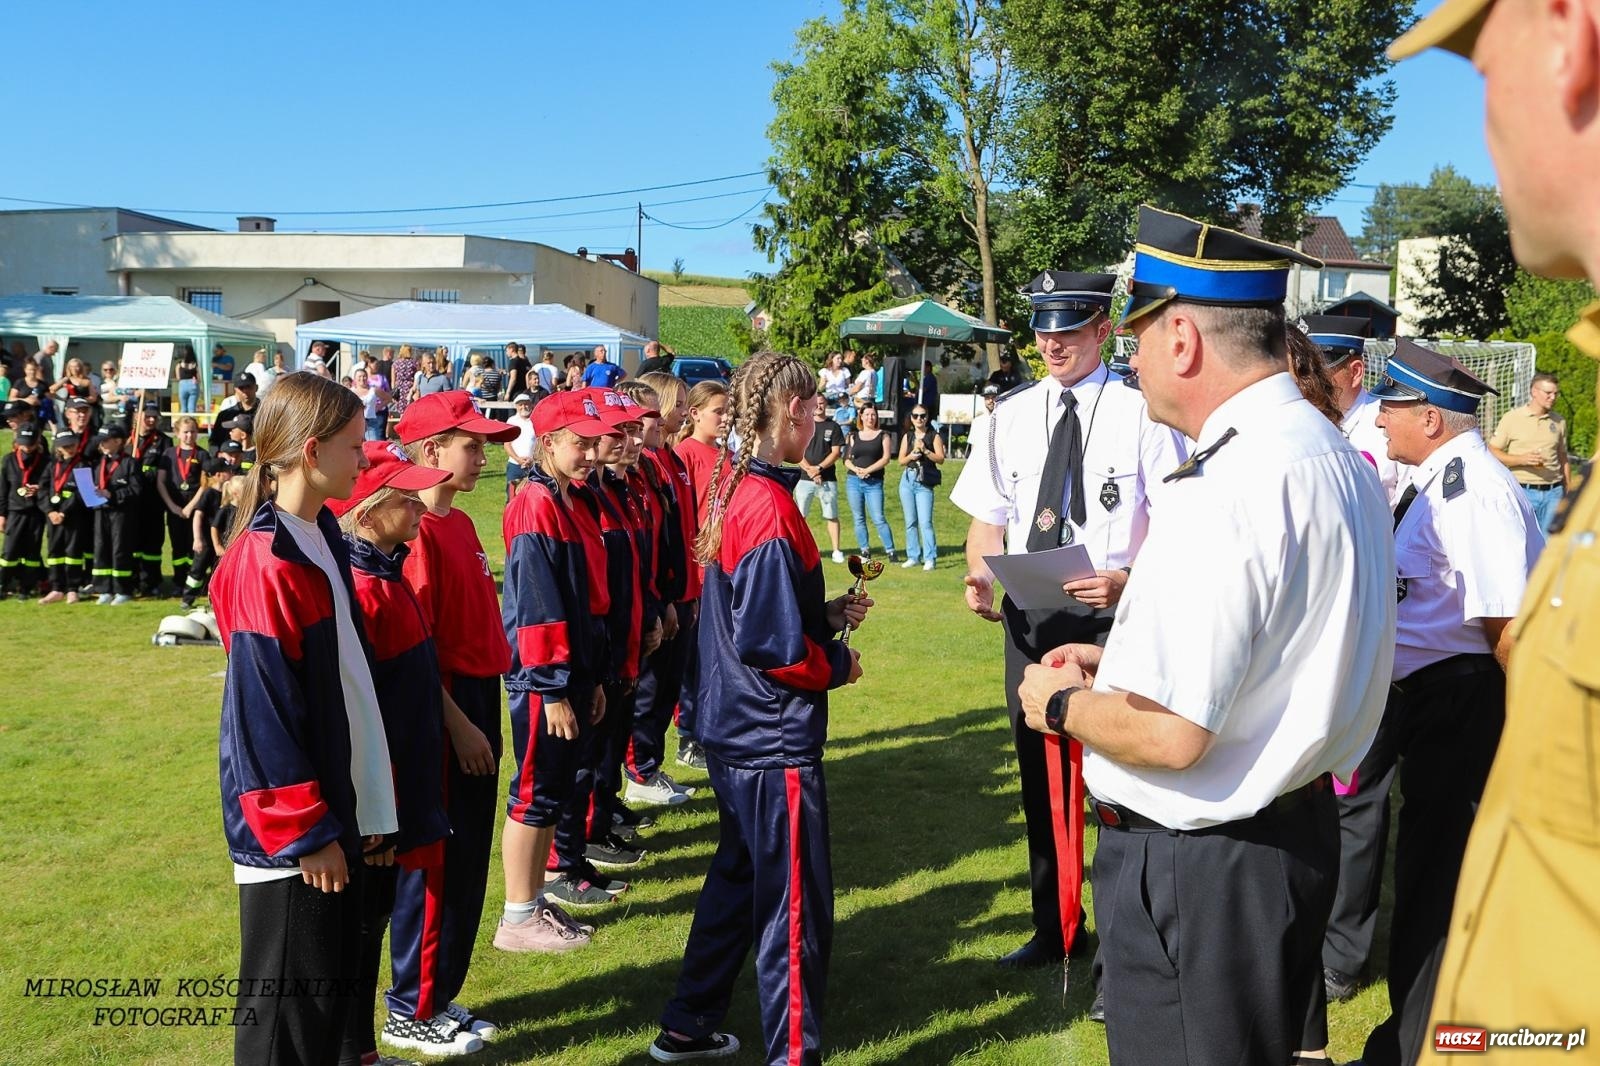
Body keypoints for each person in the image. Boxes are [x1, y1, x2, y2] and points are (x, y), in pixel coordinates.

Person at [1014, 206, 1394, 1065]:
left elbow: (1174, 734)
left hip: (1201, 870)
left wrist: (1062, 702)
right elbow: (1279, 651)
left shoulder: (1227, 484)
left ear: (1181, 337)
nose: (1130, 358)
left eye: (1137, 335)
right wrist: (1119, 661)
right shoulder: (1332, 457)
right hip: (1288, 842)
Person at [1387, 7, 1600, 1054]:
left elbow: (1498, 624)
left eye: (1479, 71)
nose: (1482, 131)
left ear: (1567, 40)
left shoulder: (1473, 474)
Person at [950, 268, 1185, 985]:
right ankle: (1055, 929)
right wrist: (980, 573)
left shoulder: (1143, 412)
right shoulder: (1006, 416)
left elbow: (1177, 526)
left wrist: (1127, 581)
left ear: (1102, 330)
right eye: (1043, 329)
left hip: (1116, 614)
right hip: (1031, 618)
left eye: (1068, 329)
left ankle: (1130, 946)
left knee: (1123, 782)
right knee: (1042, 783)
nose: (1052, 343)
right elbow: (988, 521)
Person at [648, 352, 872, 1066]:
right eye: (809, 406)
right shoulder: (767, 503)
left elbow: (754, 610)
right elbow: (774, 646)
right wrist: (836, 662)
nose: (817, 418)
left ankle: (687, 1025)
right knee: (793, 911)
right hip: (770, 736)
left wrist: (826, 608)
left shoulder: (740, 486)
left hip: (734, 728)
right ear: (791, 412)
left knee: (738, 882)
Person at [1344, 340, 1545, 1066]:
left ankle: (1414, 1042)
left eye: (1392, 408)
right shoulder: (1439, 477)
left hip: (1459, 703)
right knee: (1427, 870)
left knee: (1438, 881)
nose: (1379, 421)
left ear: (1429, 417)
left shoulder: (1473, 489)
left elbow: (1508, 627)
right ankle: (1413, 1032)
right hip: (1429, 698)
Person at [210, 372, 398, 1066]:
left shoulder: (318, 535)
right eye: (356, 443)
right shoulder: (267, 560)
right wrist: (304, 832)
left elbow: (347, 687)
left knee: (321, 1023)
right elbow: (261, 715)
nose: (367, 454)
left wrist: (366, 810)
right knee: (284, 1033)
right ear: (313, 452)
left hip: (332, 816)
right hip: (293, 840)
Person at [382, 391, 518, 1054]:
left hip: (478, 697)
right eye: (472, 443)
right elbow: (418, 653)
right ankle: (409, 1004)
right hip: (447, 708)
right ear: (432, 450)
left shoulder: (458, 526)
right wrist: (460, 725)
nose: (484, 454)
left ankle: (438, 993)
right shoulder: (418, 535)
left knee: (466, 858)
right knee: (434, 859)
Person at [328, 441, 461, 1065]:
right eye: (403, 496)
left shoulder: (386, 575)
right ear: (368, 509)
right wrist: (372, 810)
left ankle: (361, 1052)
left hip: (407, 780)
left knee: (373, 923)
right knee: (359, 932)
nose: (416, 505)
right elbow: (359, 713)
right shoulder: (362, 589)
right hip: (382, 797)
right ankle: (354, 1049)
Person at [496, 390, 620, 955]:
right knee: (533, 793)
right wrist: (550, 689)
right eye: (580, 444)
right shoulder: (535, 504)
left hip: (573, 671)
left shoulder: (573, 498)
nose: (592, 454)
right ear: (547, 443)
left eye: (595, 444)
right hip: (542, 678)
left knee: (553, 789)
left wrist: (590, 678)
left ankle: (536, 900)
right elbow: (536, 601)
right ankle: (517, 917)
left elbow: (589, 596)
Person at [1488, 371, 1568, 533]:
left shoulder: (1559, 421)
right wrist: (1520, 459)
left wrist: (1568, 490)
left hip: (1554, 492)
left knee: (1548, 546)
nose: (1553, 397)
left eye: (1555, 393)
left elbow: (1563, 458)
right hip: (1523, 490)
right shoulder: (1512, 418)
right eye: (1548, 393)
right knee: (1522, 541)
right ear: (1534, 392)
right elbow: (1492, 450)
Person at [89, 422, 142, 605]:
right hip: (101, 512)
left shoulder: (129, 463)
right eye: (100, 441)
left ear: (118, 441)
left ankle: (123, 589)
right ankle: (104, 589)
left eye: (106, 441)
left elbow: (135, 490)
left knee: (120, 550)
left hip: (121, 514)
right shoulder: (99, 463)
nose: (102, 444)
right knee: (101, 548)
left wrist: (113, 495)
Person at [156, 416, 209, 596]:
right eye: (185, 432)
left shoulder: (202, 454)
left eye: (193, 431)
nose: (189, 435)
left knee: (193, 545)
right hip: (175, 506)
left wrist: (191, 506)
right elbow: (161, 482)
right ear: (177, 433)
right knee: (177, 546)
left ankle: (194, 582)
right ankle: (179, 581)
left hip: (194, 507)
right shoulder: (169, 454)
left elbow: (205, 483)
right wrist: (172, 506)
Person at [37, 429, 89, 604]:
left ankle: (73, 588)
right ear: (58, 448)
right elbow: (42, 490)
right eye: (66, 446)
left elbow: (82, 493)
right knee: (54, 552)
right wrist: (49, 511)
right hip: (53, 517)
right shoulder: (52, 466)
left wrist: (63, 512)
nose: (70, 448)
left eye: (72, 444)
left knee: (73, 552)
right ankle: (56, 588)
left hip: (73, 516)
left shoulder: (82, 465)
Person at [795, 393, 846, 563]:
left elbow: (836, 452)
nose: (819, 406)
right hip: (804, 478)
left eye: (822, 403)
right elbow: (796, 450)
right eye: (816, 403)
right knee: (800, 516)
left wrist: (819, 468)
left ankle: (836, 550)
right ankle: (799, 550)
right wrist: (810, 469)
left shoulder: (834, 427)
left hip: (827, 478)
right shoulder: (803, 425)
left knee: (831, 514)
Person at [842, 403, 896, 561]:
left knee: (878, 517)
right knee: (858, 518)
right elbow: (846, 459)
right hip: (854, 481)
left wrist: (868, 470)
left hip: (874, 482)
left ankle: (891, 550)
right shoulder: (853, 435)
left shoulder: (883, 435)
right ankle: (864, 549)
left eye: (873, 415)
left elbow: (886, 459)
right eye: (867, 415)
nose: (870, 418)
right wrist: (857, 469)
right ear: (861, 416)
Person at [129, 401, 172, 596]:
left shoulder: (164, 440)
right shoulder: (128, 439)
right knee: (133, 543)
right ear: (138, 416)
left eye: (155, 416)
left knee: (153, 544)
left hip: (153, 500)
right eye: (147, 416)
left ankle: (152, 581)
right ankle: (134, 579)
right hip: (131, 501)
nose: (152, 420)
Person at [0, 424, 47, 598]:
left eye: (30, 444)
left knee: (32, 551)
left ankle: (27, 587)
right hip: (15, 511)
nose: (27, 448)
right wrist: (2, 514)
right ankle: (3, 583)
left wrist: (39, 488)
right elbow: (3, 490)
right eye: (23, 444)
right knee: (9, 551)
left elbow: (50, 485)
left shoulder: (45, 461)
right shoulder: (9, 460)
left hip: (35, 512)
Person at [897, 405, 944, 571]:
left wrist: (925, 450)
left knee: (925, 522)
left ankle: (930, 557)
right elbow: (901, 460)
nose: (919, 419)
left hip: (924, 482)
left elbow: (940, 459)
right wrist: (912, 455)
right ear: (911, 418)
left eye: (922, 416)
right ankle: (913, 556)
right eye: (915, 416)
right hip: (908, 479)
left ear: (927, 417)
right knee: (910, 522)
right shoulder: (908, 436)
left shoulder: (933, 436)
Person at [674, 379, 729, 515]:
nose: (726, 418)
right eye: (718, 412)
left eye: (728, 411)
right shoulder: (683, 454)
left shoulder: (732, 455)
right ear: (695, 413)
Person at [210, 373, 260, 452]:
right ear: (235, 390)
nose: (245, 391)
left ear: (256, 387)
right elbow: (214, 442)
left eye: (248, 387)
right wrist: (218, 454)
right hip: (231, 460)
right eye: (241, 388)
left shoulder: (267, 414)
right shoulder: (225, 415)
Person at [504, 392, 537, 499]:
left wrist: (532, 459)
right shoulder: (511, 421)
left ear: (531, 405)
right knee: (512, 497)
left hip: (533, 465)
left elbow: (541, 443)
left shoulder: (536, 421)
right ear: (516, 407)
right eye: (520, 404)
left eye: (526, 404)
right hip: (514, 465)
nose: (523, 407)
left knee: (532, 497)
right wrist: (518, 459)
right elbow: (507, 444)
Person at [349, 367, 391, 441]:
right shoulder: (350, 392)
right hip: (355, 423)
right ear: (355, 379)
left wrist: (378, 407)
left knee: (373, 446)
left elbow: (388, 398)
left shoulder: (373, 389)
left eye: (364, 376)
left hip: (371, 422)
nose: (362, 378)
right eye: (359, 376)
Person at [389, 345, 418, 415]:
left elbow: (393, 381)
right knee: (411, 411)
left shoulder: (395, 364)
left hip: (399, 390)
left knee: (401, 413)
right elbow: (417, 377)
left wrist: (394, 393)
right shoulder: (414, 363)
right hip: (410, 389)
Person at [176, 348, 201, 412]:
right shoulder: (196, 364)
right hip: (193, 384)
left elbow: (178, 378)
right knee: (191, 407)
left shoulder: (179, 364)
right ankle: (191, 421)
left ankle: (183, 421)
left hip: (182, 384)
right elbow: (199, 377)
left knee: (183, 407)